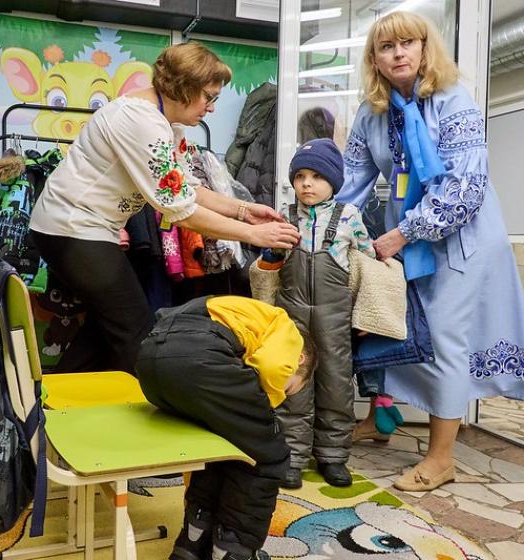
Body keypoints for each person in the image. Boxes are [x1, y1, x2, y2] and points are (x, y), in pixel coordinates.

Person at [29, 41, 300, 375]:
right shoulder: (140, 120)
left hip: (81, 229)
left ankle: (58, 396)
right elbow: (180, 210)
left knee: (107, 327)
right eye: (208, 97)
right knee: (134, 329)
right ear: (184, 87)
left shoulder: (166, 124)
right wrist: (253, 234)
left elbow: (187, 186)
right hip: (71, 229)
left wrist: (244, 210)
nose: (211, 108)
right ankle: (132, 401)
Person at [338, 11, 524, 492]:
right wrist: (323, 226)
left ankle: (441, 459)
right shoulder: (371, 113)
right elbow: (351, 182)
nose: (398, 53)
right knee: (395, 326)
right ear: (374, 59)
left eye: (408, 43)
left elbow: (465, 188)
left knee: (443, 338)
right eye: (386, 47)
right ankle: (381, 418)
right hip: (406, 237)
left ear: (425, 48)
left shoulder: (453, 100)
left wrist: (403, 234)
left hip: (461, 240)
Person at [135, 295, 313, 560]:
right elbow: (272, 365)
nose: (282, 397)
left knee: (221, 446)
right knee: (267, 456)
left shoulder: (238, 312)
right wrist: (265, 407)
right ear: (299, 360)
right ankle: (232, 550)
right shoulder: (287, 330)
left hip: (150, 364)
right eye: (289, 389)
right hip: (200, 358)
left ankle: (193, 542)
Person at [255, 139, 375, 490]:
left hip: (334, 317)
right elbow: (268, 265)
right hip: (291, 315)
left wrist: (367, 313)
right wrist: (271, 252)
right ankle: (291, 455)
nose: (307, 183)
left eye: (317, 176)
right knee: (293, 382)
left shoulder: (349, 217)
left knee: (336, 384)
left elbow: (367, 265)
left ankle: (333, 455)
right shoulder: (285, 217)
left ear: (334, 181)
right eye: (300, 176)